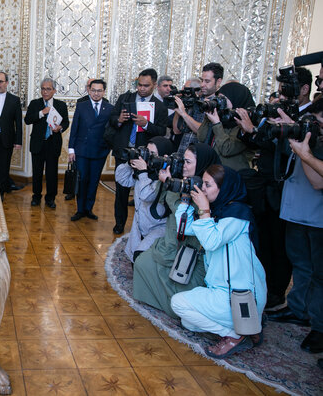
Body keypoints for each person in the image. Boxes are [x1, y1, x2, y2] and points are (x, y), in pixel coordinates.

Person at [171, 165, 266, 358]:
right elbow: (185, 228)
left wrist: (204, 210)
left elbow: (211, 241)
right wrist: (186, 200)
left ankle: (235, 334)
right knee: (188, 322)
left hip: (241, 296)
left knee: (178, 304)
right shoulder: (219, 210)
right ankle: (248, 327)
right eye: (202, 184)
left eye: (207, 185)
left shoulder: (237, 215)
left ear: (224, 187)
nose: (202, 189)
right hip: (223, 290)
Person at [133, 143, 221, 317]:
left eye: (188, 162)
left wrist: (171, 185)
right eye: (182, 161)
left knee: (176, 282)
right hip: (173, 238)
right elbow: (160, 201)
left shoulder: (207, 188)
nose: (183, 166)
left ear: (201, 163)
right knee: (142, 262)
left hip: (192, 248)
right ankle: (160, 300)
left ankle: (175, 307)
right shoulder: (183, 180)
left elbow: (185, 220)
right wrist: (169, 182)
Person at [267, 99, 323, 355]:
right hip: (296, 212)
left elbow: (316, 182)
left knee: (319, 276)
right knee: (300, 264)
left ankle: (319, 326)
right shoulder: (308, 140)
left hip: (316, 216)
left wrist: (305, 152)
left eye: (318, 123)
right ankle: (298, 308)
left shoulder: (315, 147)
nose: (314, 126)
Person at [105, 68, 169, 234]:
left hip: (146, 156)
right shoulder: (124, 98)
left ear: (154, 85)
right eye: (139, 85)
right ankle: (119, 223)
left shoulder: (160, 106)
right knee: (121, 192)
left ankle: (142, 227)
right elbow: (111, 119)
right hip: (124, 152)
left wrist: (146, 124)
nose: (141, 88)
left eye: (146, 86)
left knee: (143, 192)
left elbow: (162, 131)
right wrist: (119, 120)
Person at [115, 137, 172, 261]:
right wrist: (130, 163)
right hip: (139, 227)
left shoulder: (166, 178)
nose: (149, 157)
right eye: (147, 152)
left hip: (157, 228)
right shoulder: (145, 172)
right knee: (134, 260)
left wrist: (143, 172)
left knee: (141, 259)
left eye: (153, 154)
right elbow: (121, 179)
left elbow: (147, 195)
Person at [68, 79, 113, 221]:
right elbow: (74, 128)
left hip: (100, 151)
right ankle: (80, 209)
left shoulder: (109, 108)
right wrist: (71, 149)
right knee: (82, 180)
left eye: (99, 91)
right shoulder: (82, 106)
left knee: (94, 181)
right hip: (82, 150)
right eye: (93, 90)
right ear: (89, 90)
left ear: (104, 92)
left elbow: (112, 130)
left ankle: (89, 209)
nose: (96, 93)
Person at [196, 64, 254, 171]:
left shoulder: (245, 125)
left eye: (224, 100)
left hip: (232, 175)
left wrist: (217, 124)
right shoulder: (222, 118)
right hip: (214, 172)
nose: (222, 103)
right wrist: (207, 117)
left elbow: (226, 149)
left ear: (236, 99)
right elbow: (201, 137)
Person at [25, 78, 69, 208]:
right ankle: (36, 196)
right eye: (43, 88)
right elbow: (27, 120)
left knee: (51, 173)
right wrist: (41, 112)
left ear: (54, 90)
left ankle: (50, 198)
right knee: (37, 172)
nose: (45, 91)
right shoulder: (34, 103)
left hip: (53, 143)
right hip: (38, 143)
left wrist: (60, 128)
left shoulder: (61, 105)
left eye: (48, 89)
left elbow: (65, 122)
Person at [172, 77, 203, 154]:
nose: (185, 94)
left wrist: (184, 114)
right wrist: (177, 109)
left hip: (197, 153)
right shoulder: (186, 106)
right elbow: (176, 130)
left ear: (198, 91)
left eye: (187, 91)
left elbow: (200, 131)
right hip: (183, 149)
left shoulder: (204, 105)